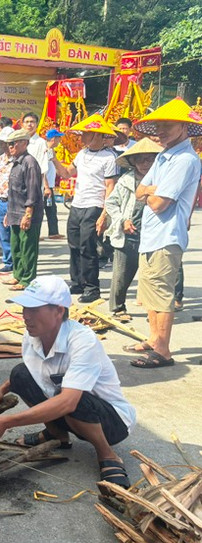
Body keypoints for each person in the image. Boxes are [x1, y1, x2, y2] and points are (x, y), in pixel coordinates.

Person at [0, 276, 136, 489]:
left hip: (111, 422)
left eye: (34, 309)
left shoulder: (82, 341)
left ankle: (108, 455)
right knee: (20, 374)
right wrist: (1, 389)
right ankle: (58, 435)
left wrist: (6, 422)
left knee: (72, 399)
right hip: (70, 409)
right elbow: (31, 369)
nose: (26, 316)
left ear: (58, 311)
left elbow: (68, 402)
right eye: (25, 309)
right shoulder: (33, 335)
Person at [127, 99, 202, 368]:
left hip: (167, 234)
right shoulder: (163, 155)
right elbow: (140, 190)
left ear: (184, 127)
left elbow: (159, 203)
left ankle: (163, 350)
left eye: (167, 125)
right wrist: (150, 190)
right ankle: (154, 338)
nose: (160, 131)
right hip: (152, 234)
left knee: (161, 294)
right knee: (150, 294)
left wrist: (149, 192)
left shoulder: (184, 160)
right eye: (158, 125)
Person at [52, 114, 118, 303]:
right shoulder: (82, 154)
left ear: (97, 135)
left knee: (87, 247)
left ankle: (92, 287)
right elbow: (67, 173)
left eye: (86, 133)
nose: (82, 136)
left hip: (94, 205)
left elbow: (110, 187)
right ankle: (77, 282)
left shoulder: (109, 157)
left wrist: (105, 214)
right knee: (74, 245)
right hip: (77, 204)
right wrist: (53, 158)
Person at [103, 138, 162, 317]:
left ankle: (153, 312)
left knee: (152, 275)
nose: (145, 164)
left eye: (149, 159)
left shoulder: (160, 179)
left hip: (153, 233)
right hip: (129, 233)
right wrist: (122, 220)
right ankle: (118, 308)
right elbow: (111, 203)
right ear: (133, 161)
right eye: (140, 160)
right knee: (121, 274)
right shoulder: (126, 180)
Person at [2, 129, 43, 290]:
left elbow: (33, 191)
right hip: (14, 211)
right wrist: (8, 213)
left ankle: (27, 279)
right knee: (16, 246)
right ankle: (18, 275)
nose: (10, 147)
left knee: (28, 248)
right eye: (9, 144)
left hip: (26, 213)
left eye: (13, 143)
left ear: (24, 143)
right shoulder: (16, 162)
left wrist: (28, 214)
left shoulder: (29, 162)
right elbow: (13, 192)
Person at [0, 126, 14, 275]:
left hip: (13, 201)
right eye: (3, 143)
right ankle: (8, 262)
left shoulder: (19, 161)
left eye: (8, 143)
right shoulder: (0, 160)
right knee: (3, 233)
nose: (5, 146)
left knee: (15, 234)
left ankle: (17, 262)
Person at [43, 129, 65, 239]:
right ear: (53, 139)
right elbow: (42, 170)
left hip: (49, 185)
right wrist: (46, 186)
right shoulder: (44, 151)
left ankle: (53, 232)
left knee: (51, 209)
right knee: (44, 210)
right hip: (44, 186)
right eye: (58, 138)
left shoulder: (51, 151)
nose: (59, 141)